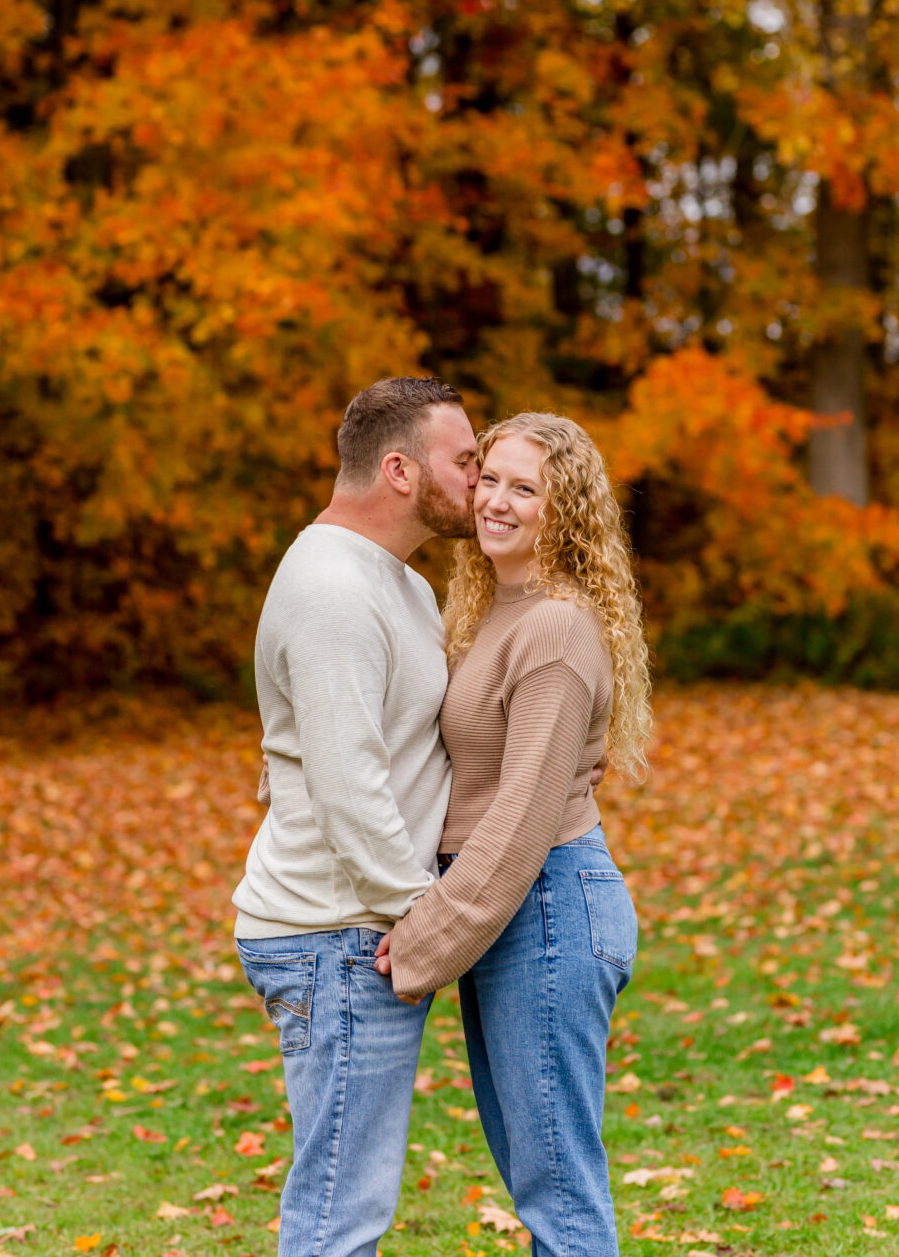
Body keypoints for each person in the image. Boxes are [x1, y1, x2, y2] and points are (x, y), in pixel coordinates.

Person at [374, 411, 652, 1257]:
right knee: (541, 1180)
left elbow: (526, 812)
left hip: (547, 911)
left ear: (561, 509)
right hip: (514, 915)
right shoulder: (496, 607)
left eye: (522, 488)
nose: (495, 500)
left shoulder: (556, 628)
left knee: (558, 1192)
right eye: (488, 477)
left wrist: (428, 937)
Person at [231, 375, 479, 1257]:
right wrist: (427, 918)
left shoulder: (398, 583)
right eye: (464, 458)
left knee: (348, 1199)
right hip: (335, 934)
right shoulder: (335, 587)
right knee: (341, 1213)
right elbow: (347, 781)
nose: (479, 476)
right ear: (402, 470)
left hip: (356, 927)